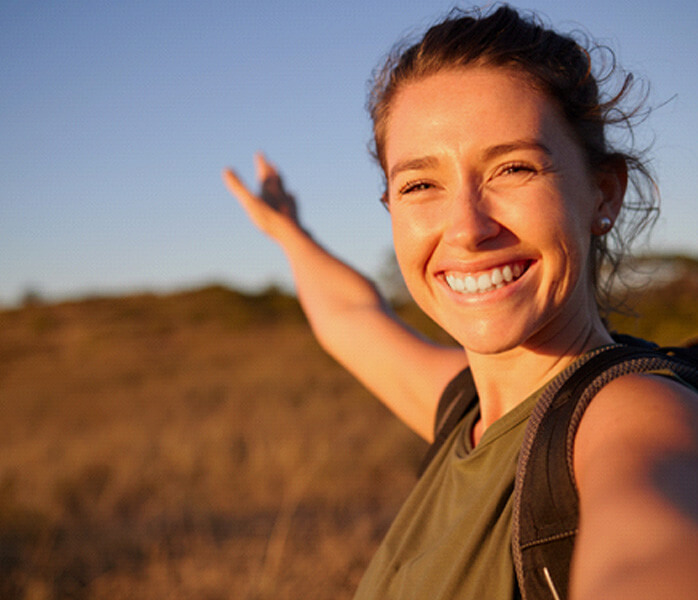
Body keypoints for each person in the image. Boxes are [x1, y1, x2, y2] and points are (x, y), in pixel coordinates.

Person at [223, 5, 698, 599]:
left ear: (603, 193)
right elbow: (351, 319)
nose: (467, 228)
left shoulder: (633, 418)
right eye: (420, 184)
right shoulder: (466, 411)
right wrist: (288, 233)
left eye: (513, 168)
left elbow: (653, 553)